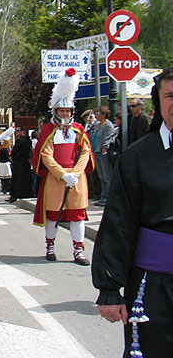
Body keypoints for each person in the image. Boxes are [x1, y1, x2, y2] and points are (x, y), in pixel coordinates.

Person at [92, 66, 173, 358]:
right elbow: (118, 222)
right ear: (158, 101)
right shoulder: (138, 156)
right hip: (154, 286)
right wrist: (109, 288)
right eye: (170, 96)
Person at [31, 68, 94, 265]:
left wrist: (75, 172)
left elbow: (85, 152)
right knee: (53, 213)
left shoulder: (78, 130)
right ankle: (50, 245)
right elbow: (45, 155)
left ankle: (78, 250)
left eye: (67, 111)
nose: (65, 114)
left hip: (76, 178)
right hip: (55, 178)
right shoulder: (49, 130)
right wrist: (61, 174)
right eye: (61, 110)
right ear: (55, 111)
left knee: (77, 216)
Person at [91, 107, 115, 207]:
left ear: (104, 114)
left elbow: (108, 138)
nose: (96, 115)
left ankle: (107, 197)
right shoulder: (97, 125)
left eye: (98, 113)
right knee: (101, 176)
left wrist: (105, 148)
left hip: (103, 152)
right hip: (96, 152)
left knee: (106, 176)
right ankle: (102, 196)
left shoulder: (108, 125)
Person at [9, 126, 33, 203]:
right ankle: (26, 193)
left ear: (23, 131)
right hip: (25, 161)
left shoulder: (20, 141)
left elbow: (15, 152)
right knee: (25, 178)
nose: (16, 132)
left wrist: (12, 156)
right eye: (16, 131)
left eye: (18, 131)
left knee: (17, 179)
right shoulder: (28, 140)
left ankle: (16, 194)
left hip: (19, 161)